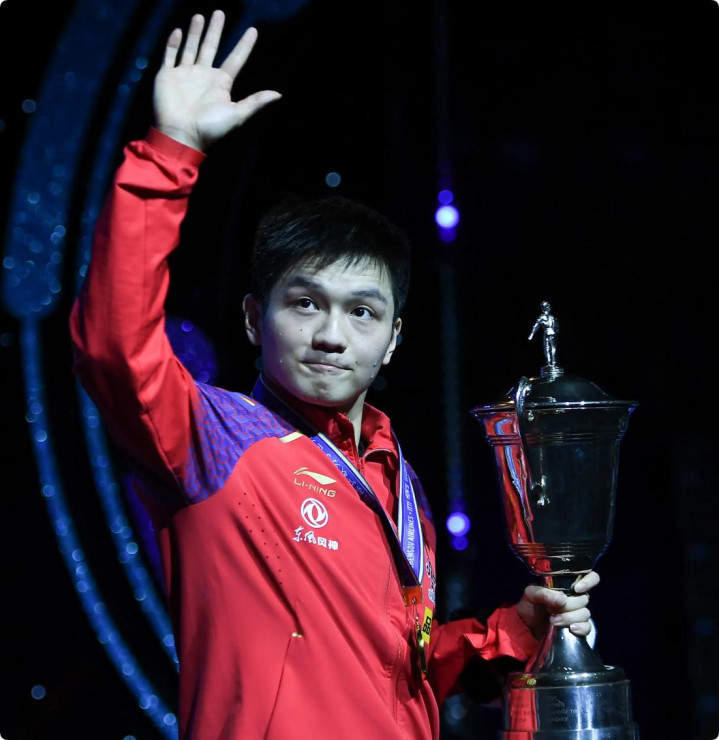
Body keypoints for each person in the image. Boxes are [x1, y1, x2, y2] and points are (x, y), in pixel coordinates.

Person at [69, 10, 598, 740]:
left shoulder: (393, 476)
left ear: (393, 339)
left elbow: (390, 671)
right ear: (253, 319)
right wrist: (172, 151)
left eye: (361, 312)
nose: (330, 334)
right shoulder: (209, 438)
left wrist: (508, 636)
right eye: (305, 303)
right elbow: (113, 342)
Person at [528, 300, 559, 367]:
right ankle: (550, 363)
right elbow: (535, 326)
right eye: (547, 307)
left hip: (551, 333)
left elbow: (556, 326)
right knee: (547, 349)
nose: (549, 308)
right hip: (548, 333)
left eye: (548, 306)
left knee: (552, 348)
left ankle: (553, 363)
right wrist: (531, 334)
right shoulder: (542, 317)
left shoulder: (552, 317)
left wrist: (556, 331)